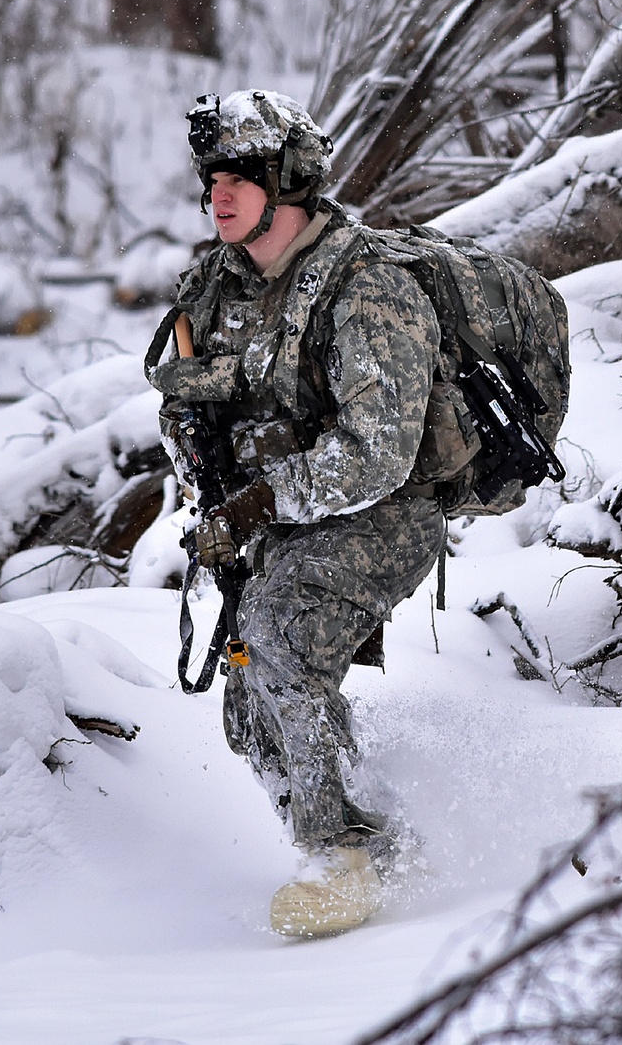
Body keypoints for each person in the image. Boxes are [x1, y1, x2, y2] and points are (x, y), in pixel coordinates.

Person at [146, 89, 447, 939]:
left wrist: (257, 501)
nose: (220, 196)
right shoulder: (216, 286)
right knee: (247, 706)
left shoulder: (369, 285)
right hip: (270, 523)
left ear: (289, 183)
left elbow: (379, 451)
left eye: (242, 177)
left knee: (279, 636)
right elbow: (179, 397)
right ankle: (378, 837)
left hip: (383, 513)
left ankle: (343, 854)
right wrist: (208, 473)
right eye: (212, 179)